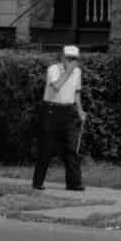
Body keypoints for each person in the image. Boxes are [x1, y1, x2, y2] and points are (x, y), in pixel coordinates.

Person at [31, 43, 85, 191]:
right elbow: (56, 86)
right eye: (69, 58)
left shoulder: (78, 72)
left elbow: (77, 92)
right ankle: (38, 182)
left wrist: (80, 110)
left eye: (75, 59)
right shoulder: (53, 70)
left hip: (69, 111)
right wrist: (68, 73)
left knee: (72, 148)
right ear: (63, 57)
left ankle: (74, 183)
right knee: (47, 148)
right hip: (51, 110)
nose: (72, 62)